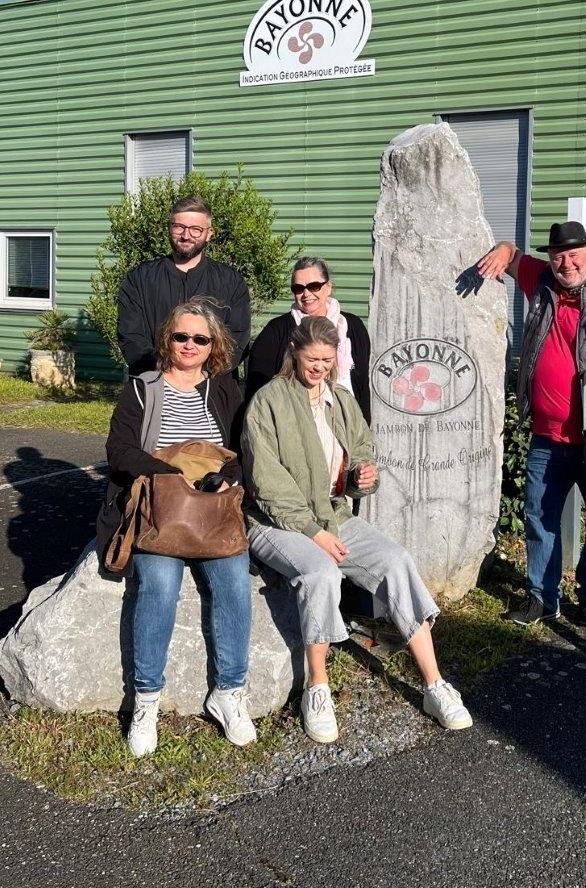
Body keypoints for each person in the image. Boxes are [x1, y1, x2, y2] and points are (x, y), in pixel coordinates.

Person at [242, 316, 471, 743]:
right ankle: (317, 685)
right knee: (321, 572)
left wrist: (363, 476)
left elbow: (362, 450)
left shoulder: (341, 400)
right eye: (312, 359)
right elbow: (266, 483)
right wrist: (314, 533)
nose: (319, 369)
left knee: (397, 561)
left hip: (333, 515)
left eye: (327, 361)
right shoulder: (268, 401)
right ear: (293, 352)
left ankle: (435, 685)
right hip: (275, 522)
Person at [477, 221, 586, 627]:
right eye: (558, 254)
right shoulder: (542, 283)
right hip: (547, 437)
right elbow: (513, 256)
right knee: (540, 516)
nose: (566, 262)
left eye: (574, 253)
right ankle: (543, 596)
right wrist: (504, 249)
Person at [104, 297, 255, 756]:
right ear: (167, 339)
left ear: (214, 346)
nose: (189, 345)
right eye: (181, 336)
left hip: (214, 507)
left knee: (233, 581)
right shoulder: (141, 388)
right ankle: (146, 699)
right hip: (162, 506)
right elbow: (120, 450)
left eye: (200, 339)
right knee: (158, 584)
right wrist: (170, 474)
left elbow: (246, 448)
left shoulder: (227, 389)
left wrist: (228, 475)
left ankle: (229, 692)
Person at [118, 194, 251, 376]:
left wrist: (202, 374)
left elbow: (237, 339)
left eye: (195, 229)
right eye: (179, 227)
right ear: (169, 228)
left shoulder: (231, 281)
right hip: (154, 384)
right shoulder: (140, 279)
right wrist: (166, 373)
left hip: (212, 387)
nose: (186, 235)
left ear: (209, 233)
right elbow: (131, 336)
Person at [245, 256, 371, 423]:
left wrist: (364, 429)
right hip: (297, 427)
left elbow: (362, 384)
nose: (306, 294)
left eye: (314, 286)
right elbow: (258, 390)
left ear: (328, 287)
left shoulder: (352, 327)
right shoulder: (275, 332)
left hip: (348, 423)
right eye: (298, 288)